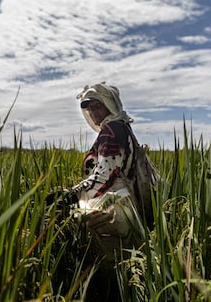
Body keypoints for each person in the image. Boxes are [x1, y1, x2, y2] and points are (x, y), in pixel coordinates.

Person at [48, 82, 155, 301]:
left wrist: (70, 194)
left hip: (113, 210)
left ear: (110, 105)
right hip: (124, 207)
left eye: (98, 106)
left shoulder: (112, 131)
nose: (93, 112)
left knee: (110, 271)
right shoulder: (122, 127)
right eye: (89, 107)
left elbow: (104, 176)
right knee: (124, 267)